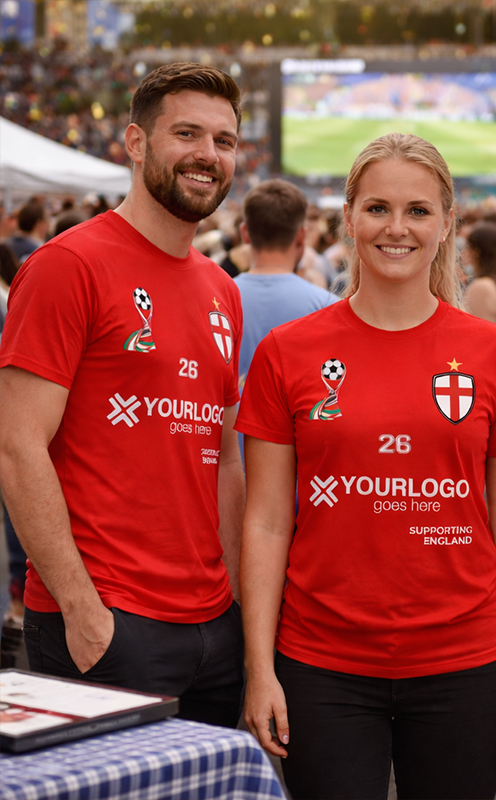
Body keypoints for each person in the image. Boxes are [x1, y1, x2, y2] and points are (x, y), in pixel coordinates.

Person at [236, 132, 496, 800]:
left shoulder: (494, 354)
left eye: (417, 211)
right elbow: (265, 522)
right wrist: (258, 665)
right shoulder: (287, 352)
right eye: (377, 208)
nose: (396, 228)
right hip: (320, 664)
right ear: (348, 218)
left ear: (445, 225)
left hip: (466, 662)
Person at [0, 62, 247, 727]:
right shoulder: (66, 266)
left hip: (213, 627)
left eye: (224, 141)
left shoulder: (223, 290)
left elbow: (223, 457)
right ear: (136, 145)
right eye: (188, 134)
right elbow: (17, 447)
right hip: (109, 624)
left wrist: (237, 608)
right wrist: (82, 609)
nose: (208, 155)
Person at [234, 179, 339, 452]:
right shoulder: (329, 306)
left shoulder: (216, 298)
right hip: (300, 478)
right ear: (302, 237)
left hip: (220, 471)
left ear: (245, 234)